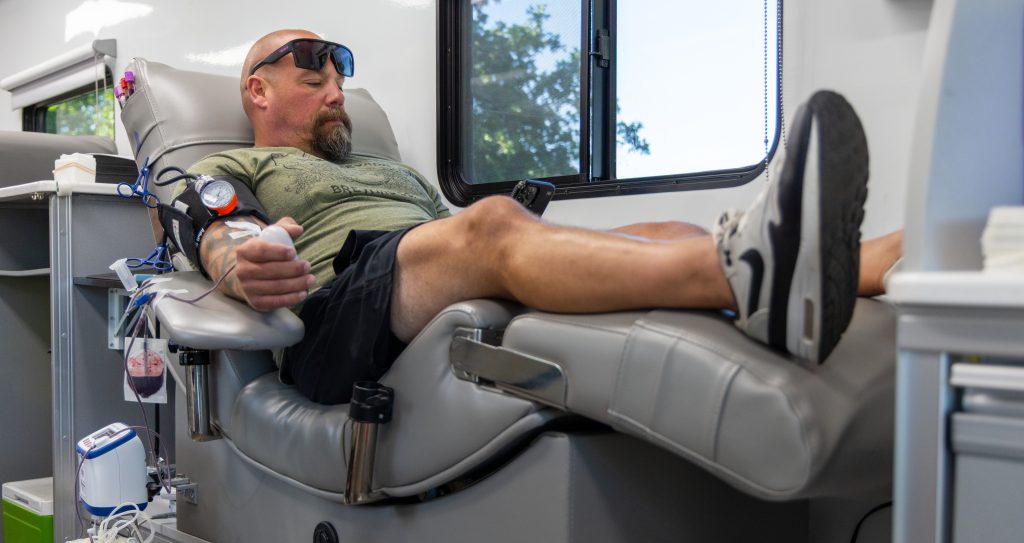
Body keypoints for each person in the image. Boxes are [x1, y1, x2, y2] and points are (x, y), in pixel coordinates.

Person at [189, 29, 901, 405]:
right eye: (315, 78)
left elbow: (443, 241)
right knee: (491, 224)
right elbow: (213, 229)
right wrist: (241, 268)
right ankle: (762, 275)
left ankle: (868, 266)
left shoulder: (393, 171)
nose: (337, 94)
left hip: (413, 284)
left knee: (668, 234)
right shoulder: (234, 165)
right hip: (330, 327)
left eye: (341, 82)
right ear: (259, 91)